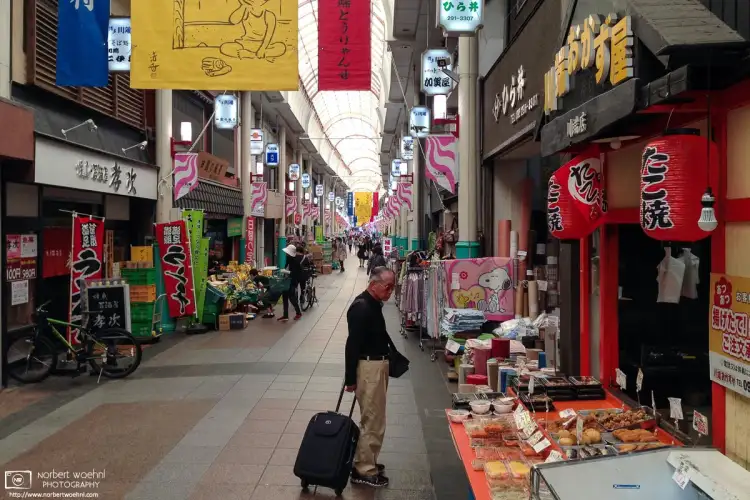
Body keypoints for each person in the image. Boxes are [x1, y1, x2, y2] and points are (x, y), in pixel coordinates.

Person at [344, 267, 397, 488]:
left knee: (375, 418)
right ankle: (363, 469)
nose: (391, 291)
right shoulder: (362, 308)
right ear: (374, 284)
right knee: (373, 420)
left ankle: (369, 459)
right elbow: (352, 345)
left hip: (376, 366)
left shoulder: (373, 304)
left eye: (392, 287)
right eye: (388, 287)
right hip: (369, 368)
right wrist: (350, 379)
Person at [279, 244, 303, 321]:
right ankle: (285, 315)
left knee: (292, 297)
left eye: (287, 253)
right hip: (286, 280)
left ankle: (298, 313)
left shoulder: (296, 261)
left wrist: (287, 272)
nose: (286, 254)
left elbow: (295, 273)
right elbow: (286, 266)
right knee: (285, 297)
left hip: (293, 281)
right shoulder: (288, 259)